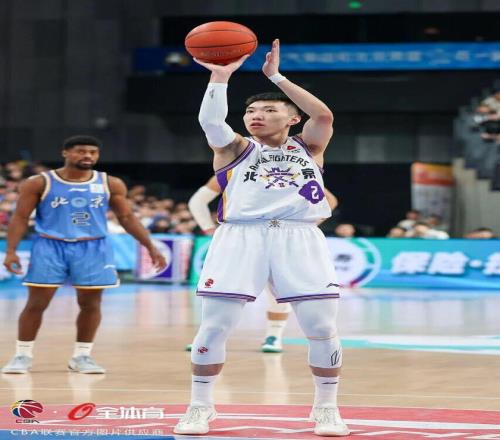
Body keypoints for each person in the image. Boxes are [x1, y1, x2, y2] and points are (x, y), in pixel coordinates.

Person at [174, 39, 349, 437]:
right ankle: (200, 406)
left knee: (321, 327)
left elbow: (323, 114)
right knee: (214, 326)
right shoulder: (235, 147)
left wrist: (276, 77)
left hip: (299, 237)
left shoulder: (309, 145)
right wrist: (220, 78)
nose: (257, 115)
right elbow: (211, 122)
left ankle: (326, 408)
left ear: (292, 118)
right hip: (240, 236)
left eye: (269, 110)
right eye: (251, 111)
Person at [1, 135, 166, 374]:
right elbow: (20, 217)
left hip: (93, 247)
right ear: (65, 153)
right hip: (50, 245)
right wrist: (11, 251)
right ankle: (22, 356)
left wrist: (150, 246)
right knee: (36, 303)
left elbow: (127, 217)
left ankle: (82, 356)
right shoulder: (39, 182)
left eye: (92, 152)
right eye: (81, 151)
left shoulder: (110, 183)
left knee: (91, 304)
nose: (87, 155)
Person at [188, 176, 338, 353]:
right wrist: (208, 228)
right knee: (222, 290)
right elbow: (197, 201)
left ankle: (274, 335)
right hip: (244, 235)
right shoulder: (234, 168)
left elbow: (329, 200)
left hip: (282, 236)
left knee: (280, 289)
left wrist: (304, 224)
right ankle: (208, 337)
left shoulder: (295, 169)